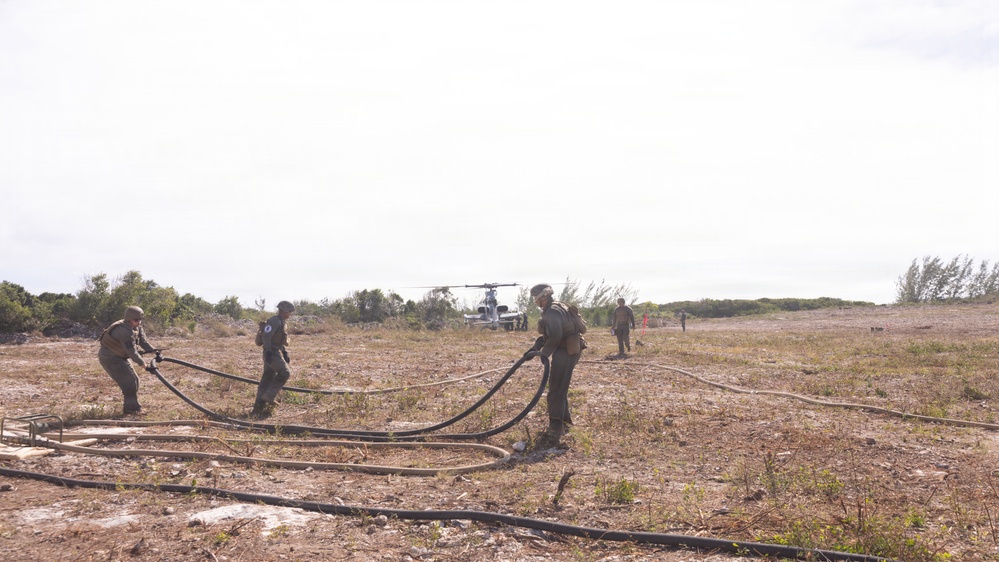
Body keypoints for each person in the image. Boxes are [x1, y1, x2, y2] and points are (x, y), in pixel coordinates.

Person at [525, 283, 585, 448]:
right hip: (566, 350)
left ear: (541, 298)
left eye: (535, 298)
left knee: (556, 390)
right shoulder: (554, 308)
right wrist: (535, 348)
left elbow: (557, 335)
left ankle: (556, 427)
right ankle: (565, 423)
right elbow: (550, 334)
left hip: (566, 351)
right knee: (560, 388)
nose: (534, 301)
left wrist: (544, 354)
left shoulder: (552, 311)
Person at [97, 306, 157, 414]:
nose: (139, 322)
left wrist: (155, 352)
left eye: (140, 320)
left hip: (120, 357)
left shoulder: (136, 327)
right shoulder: (123, 331)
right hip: (110, 358)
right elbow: (132, 352)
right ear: (129, 319)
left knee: (135, 380)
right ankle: (132, 409)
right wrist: (145, 366)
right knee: (129, 381)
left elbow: (143, 342)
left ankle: (131, 407)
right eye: (136, 320)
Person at [252, 300, 295, 419]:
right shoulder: (274, 321)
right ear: (284, 311)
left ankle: (257, 410)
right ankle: (269, 396)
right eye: (289, 312)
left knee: (266, 380)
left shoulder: (282, 322)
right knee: (285, 373)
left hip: (275, 351)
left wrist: (284, 351)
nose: (290, 314)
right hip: (271, 353)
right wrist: (269, 352)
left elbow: (278, 339)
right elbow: (267, 336)